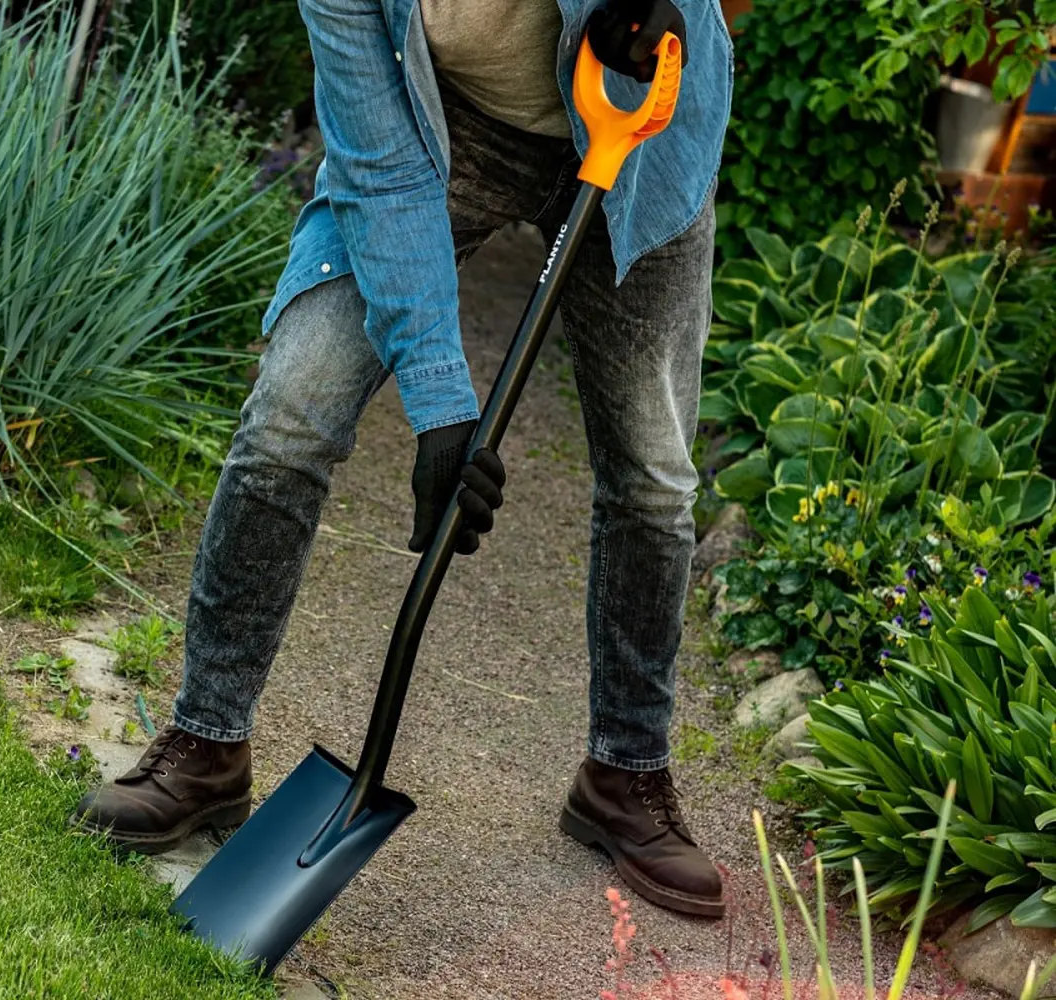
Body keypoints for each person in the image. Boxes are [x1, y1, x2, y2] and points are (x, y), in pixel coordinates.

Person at [73, 0, 734, 918]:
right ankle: (207, 743)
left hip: (639, 121)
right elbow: (381, 169)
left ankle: (626, 774)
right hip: (442, 127)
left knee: (653, 474)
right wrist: (440, 411)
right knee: (292, 409)